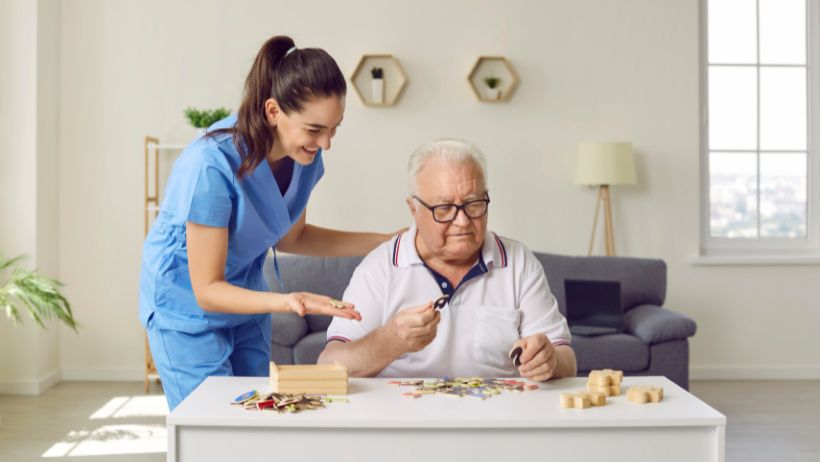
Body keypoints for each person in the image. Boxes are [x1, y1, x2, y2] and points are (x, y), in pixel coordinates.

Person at [139, 35, 397, 410]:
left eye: (334, 128)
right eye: (314, 130)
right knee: (213, 426)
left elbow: (294, 236)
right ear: (274, 111)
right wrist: (290, 299)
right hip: (185, 309)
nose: (326, 143)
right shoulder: (210, 165)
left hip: (245, 300)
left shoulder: (304, 159)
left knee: (255, 419)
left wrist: (387, 240)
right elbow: (208, 289)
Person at [319, 139, 577, 381]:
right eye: (444, 209)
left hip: (496, 421)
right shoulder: (380, 267)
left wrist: (550, 360)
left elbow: (567, 360)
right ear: (414, 210)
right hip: (404, 423)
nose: (463, 222)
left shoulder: (518, 262)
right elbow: (328, 366)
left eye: (474, 204)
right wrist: (389, 341)